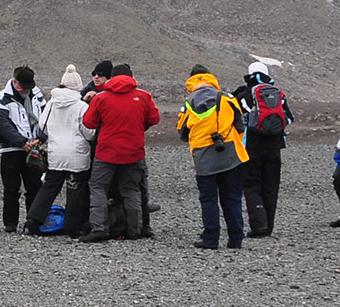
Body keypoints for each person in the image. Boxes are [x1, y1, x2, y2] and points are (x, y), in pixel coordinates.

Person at [77, 65, 158, 243]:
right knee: (132, 189)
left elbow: (88, 122)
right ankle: (134, 230)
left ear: (111, 77)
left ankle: (99, 228)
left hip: (107, 152)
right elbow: (154, 118)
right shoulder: (144, 96)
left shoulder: (102, 97)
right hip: (134, 152)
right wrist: (138, 126)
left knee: (98, 187)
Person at [177, 65, 249, 250]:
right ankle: (235, 239)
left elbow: (183, 133)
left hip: (203, 157)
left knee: (208, 199)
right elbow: (241, 126)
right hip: (230, 153)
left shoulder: (188, 103)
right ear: (210, 77)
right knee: (232, 198)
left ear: (192, 80)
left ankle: (210, 238)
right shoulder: (227, 97)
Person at [24, 65, 94, 237]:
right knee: (75, 191)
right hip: (77, 156)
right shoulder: (81, 107)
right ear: (78, 86)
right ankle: (72, 227)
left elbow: (42, 126)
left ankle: (32, 221)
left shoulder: (51, 104)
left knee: (49, 188)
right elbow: (89, 132)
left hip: (56, 154)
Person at [232, 61, 293, 238]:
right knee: (271, 185)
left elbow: (236, 119)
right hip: (275, 147)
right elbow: (289, 118)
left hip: (251, 146)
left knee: (251, 184)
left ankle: (258, 225)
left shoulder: (243, 95)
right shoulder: (278, 95)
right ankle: (269, 227)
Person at [0, 66, 48, 233]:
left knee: (34, 187)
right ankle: (10, 223)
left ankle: (33, 221)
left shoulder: (37, 96)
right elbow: (2, 125)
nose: (25, 90)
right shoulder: (2, 98)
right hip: (11, 151)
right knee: (11, 188)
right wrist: (21, 142)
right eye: (22, 86)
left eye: (28, 86)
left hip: (34, 148)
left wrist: (41, 138)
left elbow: (46, 118)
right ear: (15, 82)